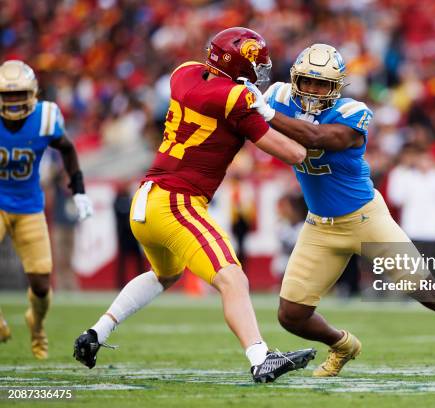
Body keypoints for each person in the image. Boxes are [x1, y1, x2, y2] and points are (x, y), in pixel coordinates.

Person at [246, 43, 435, 378]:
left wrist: (265, 113)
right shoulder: (278, 96)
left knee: (429, 291)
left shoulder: (351, 113)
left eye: (322, 83)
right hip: (319, 226)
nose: (313, 90)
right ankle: (342, 344)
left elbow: (317, 136)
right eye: (308, 82)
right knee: (291, 316)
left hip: (365, 219)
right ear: (295, 78)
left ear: (336, 86)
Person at [73, 27, 315, 384]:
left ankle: (96, 333)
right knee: (233, 277)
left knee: (165, 275)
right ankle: (261, 358)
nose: (261, 70)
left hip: (147, 199)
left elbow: (214, 96)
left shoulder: (184, 73)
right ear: (238, 64)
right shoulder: (236, 99)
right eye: (255, 62)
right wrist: (266, 113)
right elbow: (296, 153)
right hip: (176, 202)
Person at [0, 60, 94, 359]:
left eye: (19, 95)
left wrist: (78, 189)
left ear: (33, 94)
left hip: (29, 206)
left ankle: (36, 323)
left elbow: (66, 147)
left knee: (41, 283)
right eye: (7, 95)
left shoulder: (45, 117)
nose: (13, 102)